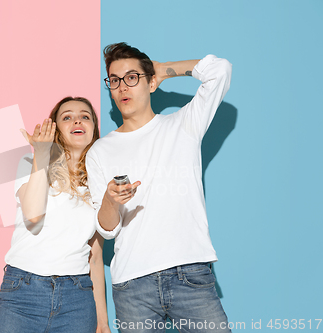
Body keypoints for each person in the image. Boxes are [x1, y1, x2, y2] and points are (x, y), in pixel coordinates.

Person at [86, 43, 233, 332]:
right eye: (114, 81)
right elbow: (107, 230)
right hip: (132, 284)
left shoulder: (184, 124)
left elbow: (220, 70)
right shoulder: (100, 151)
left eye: (132, 77)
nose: (122, 87)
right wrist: (110, 200)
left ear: (151, 81)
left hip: (189, 273)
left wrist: (164, 69)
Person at [0, 97, 110, 333]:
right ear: (54, 128)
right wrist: (41, 154)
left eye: (85, 116)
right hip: (23, 293)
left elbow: (95, 257)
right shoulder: (31, 162)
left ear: (94, 129)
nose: (77, 119)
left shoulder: (99, 182)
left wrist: (102, 322)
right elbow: (33, 216)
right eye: (67, 117)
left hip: (77, 298)